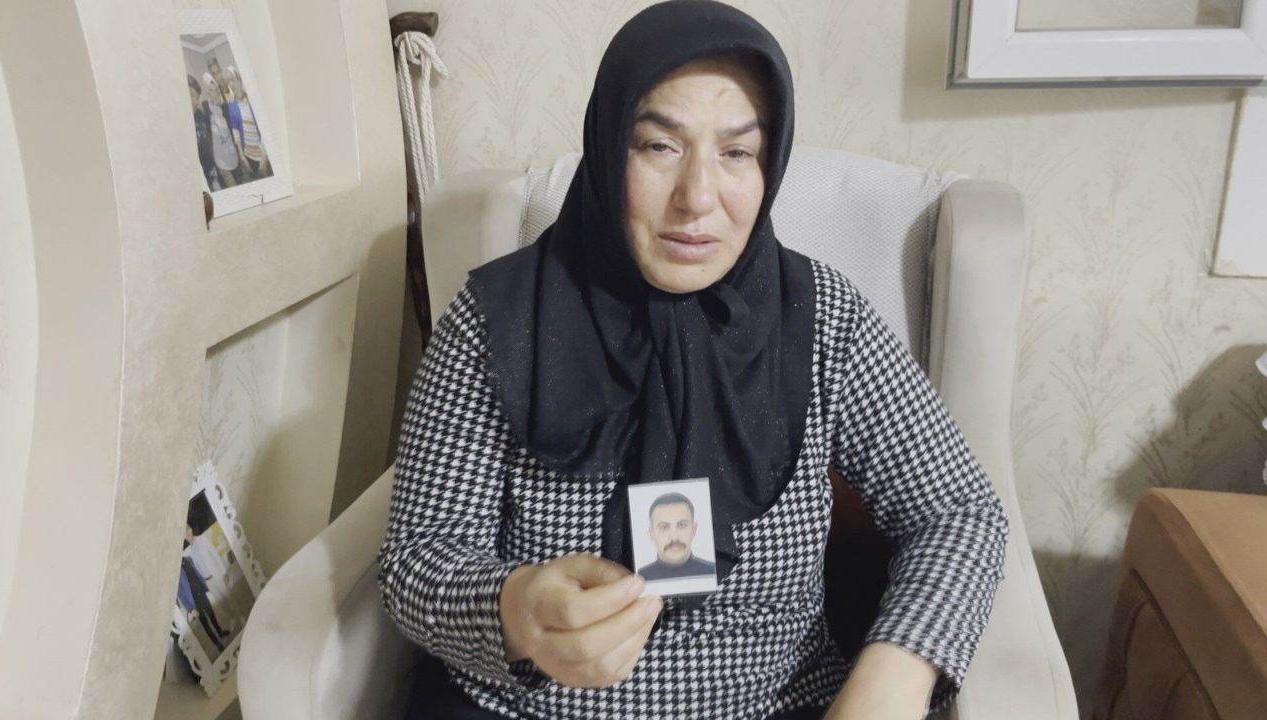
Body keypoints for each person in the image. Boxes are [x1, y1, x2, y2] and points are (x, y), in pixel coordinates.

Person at [378, 2, 1007, 719]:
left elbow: (958, 511)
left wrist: (895, 673)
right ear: (607, 146)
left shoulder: (823, 318)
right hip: (529, 708)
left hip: (774, 704)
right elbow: (417, 558)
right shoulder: (498, 321)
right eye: (659, 146)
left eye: (737, 153)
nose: (697, 198)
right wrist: (515, 609)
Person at [638, 492, 716, 580]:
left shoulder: (714, 573)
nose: (674, 537)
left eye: (682, 525)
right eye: (664, 527)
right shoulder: (639, 578)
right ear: (651, 534)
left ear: (694, 529)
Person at [187, 75, 219, 191]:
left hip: (211, 170)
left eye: (192, 95)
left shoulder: (202, 115)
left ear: (197, 98)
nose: (189, 99)